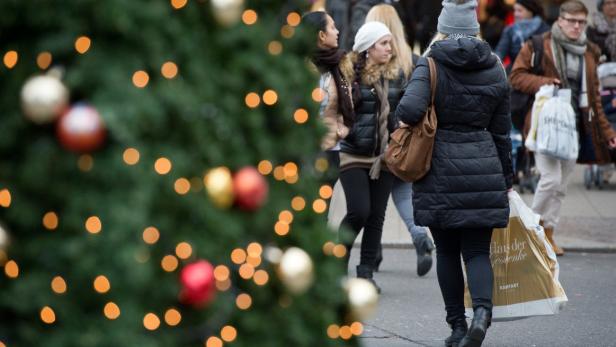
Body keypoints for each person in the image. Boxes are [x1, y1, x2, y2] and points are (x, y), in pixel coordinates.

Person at [396, 1, 513, 346]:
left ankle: (457, 328)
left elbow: (409, 109)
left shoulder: (430, 63)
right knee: (477, 251)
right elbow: (502, 132)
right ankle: (481, 313)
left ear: (443, 28)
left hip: (439, 171)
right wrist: (506, 179)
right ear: (475, 29)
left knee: (446, 251)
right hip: (484, 167)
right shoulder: (494, 67)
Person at [510, 0, 616, 256]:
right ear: (560, 20)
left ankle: (549, 233)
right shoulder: (538, 44)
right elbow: (515, 77)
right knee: (550, 179)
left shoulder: (590, 51)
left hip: (574, 126)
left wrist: (608, 132)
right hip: (545, 123)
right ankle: (531, 229)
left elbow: (593, 98)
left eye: (581, 22)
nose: (576, 27)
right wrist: (546, 82)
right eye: (571, 21)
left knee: (562, 185)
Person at [364, 4, 434, 277]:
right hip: (403, 142)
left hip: (374, 142)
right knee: (402, 192)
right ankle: (420, 237)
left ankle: (374, 252)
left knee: (374, 203)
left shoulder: (369, 62)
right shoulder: (412, 60)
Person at [337, 21, 407, 293]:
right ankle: (337, 267)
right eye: (383, 43)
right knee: (359, 211)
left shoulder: (394, 76)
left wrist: (400, 126)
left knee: (377, 216)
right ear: (368, 48)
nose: (389, 48)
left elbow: (398, 111)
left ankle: (365, 274)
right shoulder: (348, 76)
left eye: (390, 42)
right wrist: (348, 133)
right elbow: (340, 110)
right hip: (353, 154)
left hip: (384, 156)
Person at [301, 12, 354, 189]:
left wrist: (342, 129)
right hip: (305, 152)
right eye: (332, 27)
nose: (337, 31)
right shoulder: (298, 69)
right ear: (321, 35)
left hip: (334, 150)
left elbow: (348, 104)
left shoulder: (340, 64)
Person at [494, 0, 549, 71]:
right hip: (514, 72)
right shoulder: (510, 30)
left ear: (531, 11)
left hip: (539, 74)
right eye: (515, 10)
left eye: (520, 11)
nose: (515, 14)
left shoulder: (545, 30)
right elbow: (500, 53)